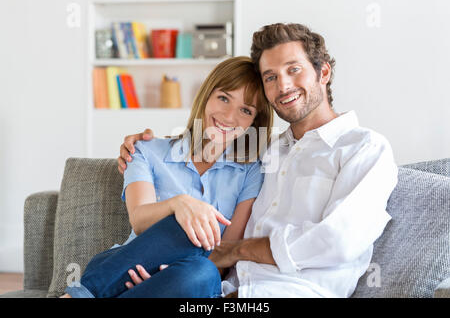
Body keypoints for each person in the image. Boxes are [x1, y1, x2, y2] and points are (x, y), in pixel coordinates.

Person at [118, 23, 398, 298]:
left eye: (294, 69)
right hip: (221, 292)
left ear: (323, 71)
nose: (284, 86)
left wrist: (237, 250)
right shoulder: (268, 151)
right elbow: (216, 140)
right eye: (270, 77)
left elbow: (338, 240)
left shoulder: (364, 149)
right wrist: (147, 146)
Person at [61, 56, 273, 298]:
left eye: (245, 110)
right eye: (224, 98)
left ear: (254, 123)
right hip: (123, 271)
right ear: (207, 96)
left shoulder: (251, 171)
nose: (229, 116)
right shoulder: (146, 150)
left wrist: (165, 277)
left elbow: (224, 254)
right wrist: (178, 204)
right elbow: (140, 220)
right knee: (187, 219)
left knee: (202, 271)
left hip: (188, 282)